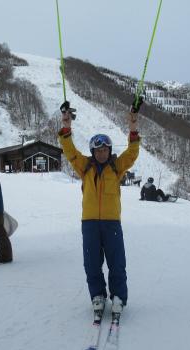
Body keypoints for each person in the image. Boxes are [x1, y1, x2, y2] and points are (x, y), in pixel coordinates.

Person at [58, 98, 142, 316]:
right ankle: (97, 295)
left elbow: (132, 153)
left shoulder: (116, 167)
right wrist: (66, 126)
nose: (102, 153)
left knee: (117, 263)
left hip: (112, 223)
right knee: (92, 263)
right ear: (93, 152)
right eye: (98, 150)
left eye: (105, 150)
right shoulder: (85, 167)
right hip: (90, 224)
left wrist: (133, 126)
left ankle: (118, 297)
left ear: (109, 150)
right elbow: (69, 151)